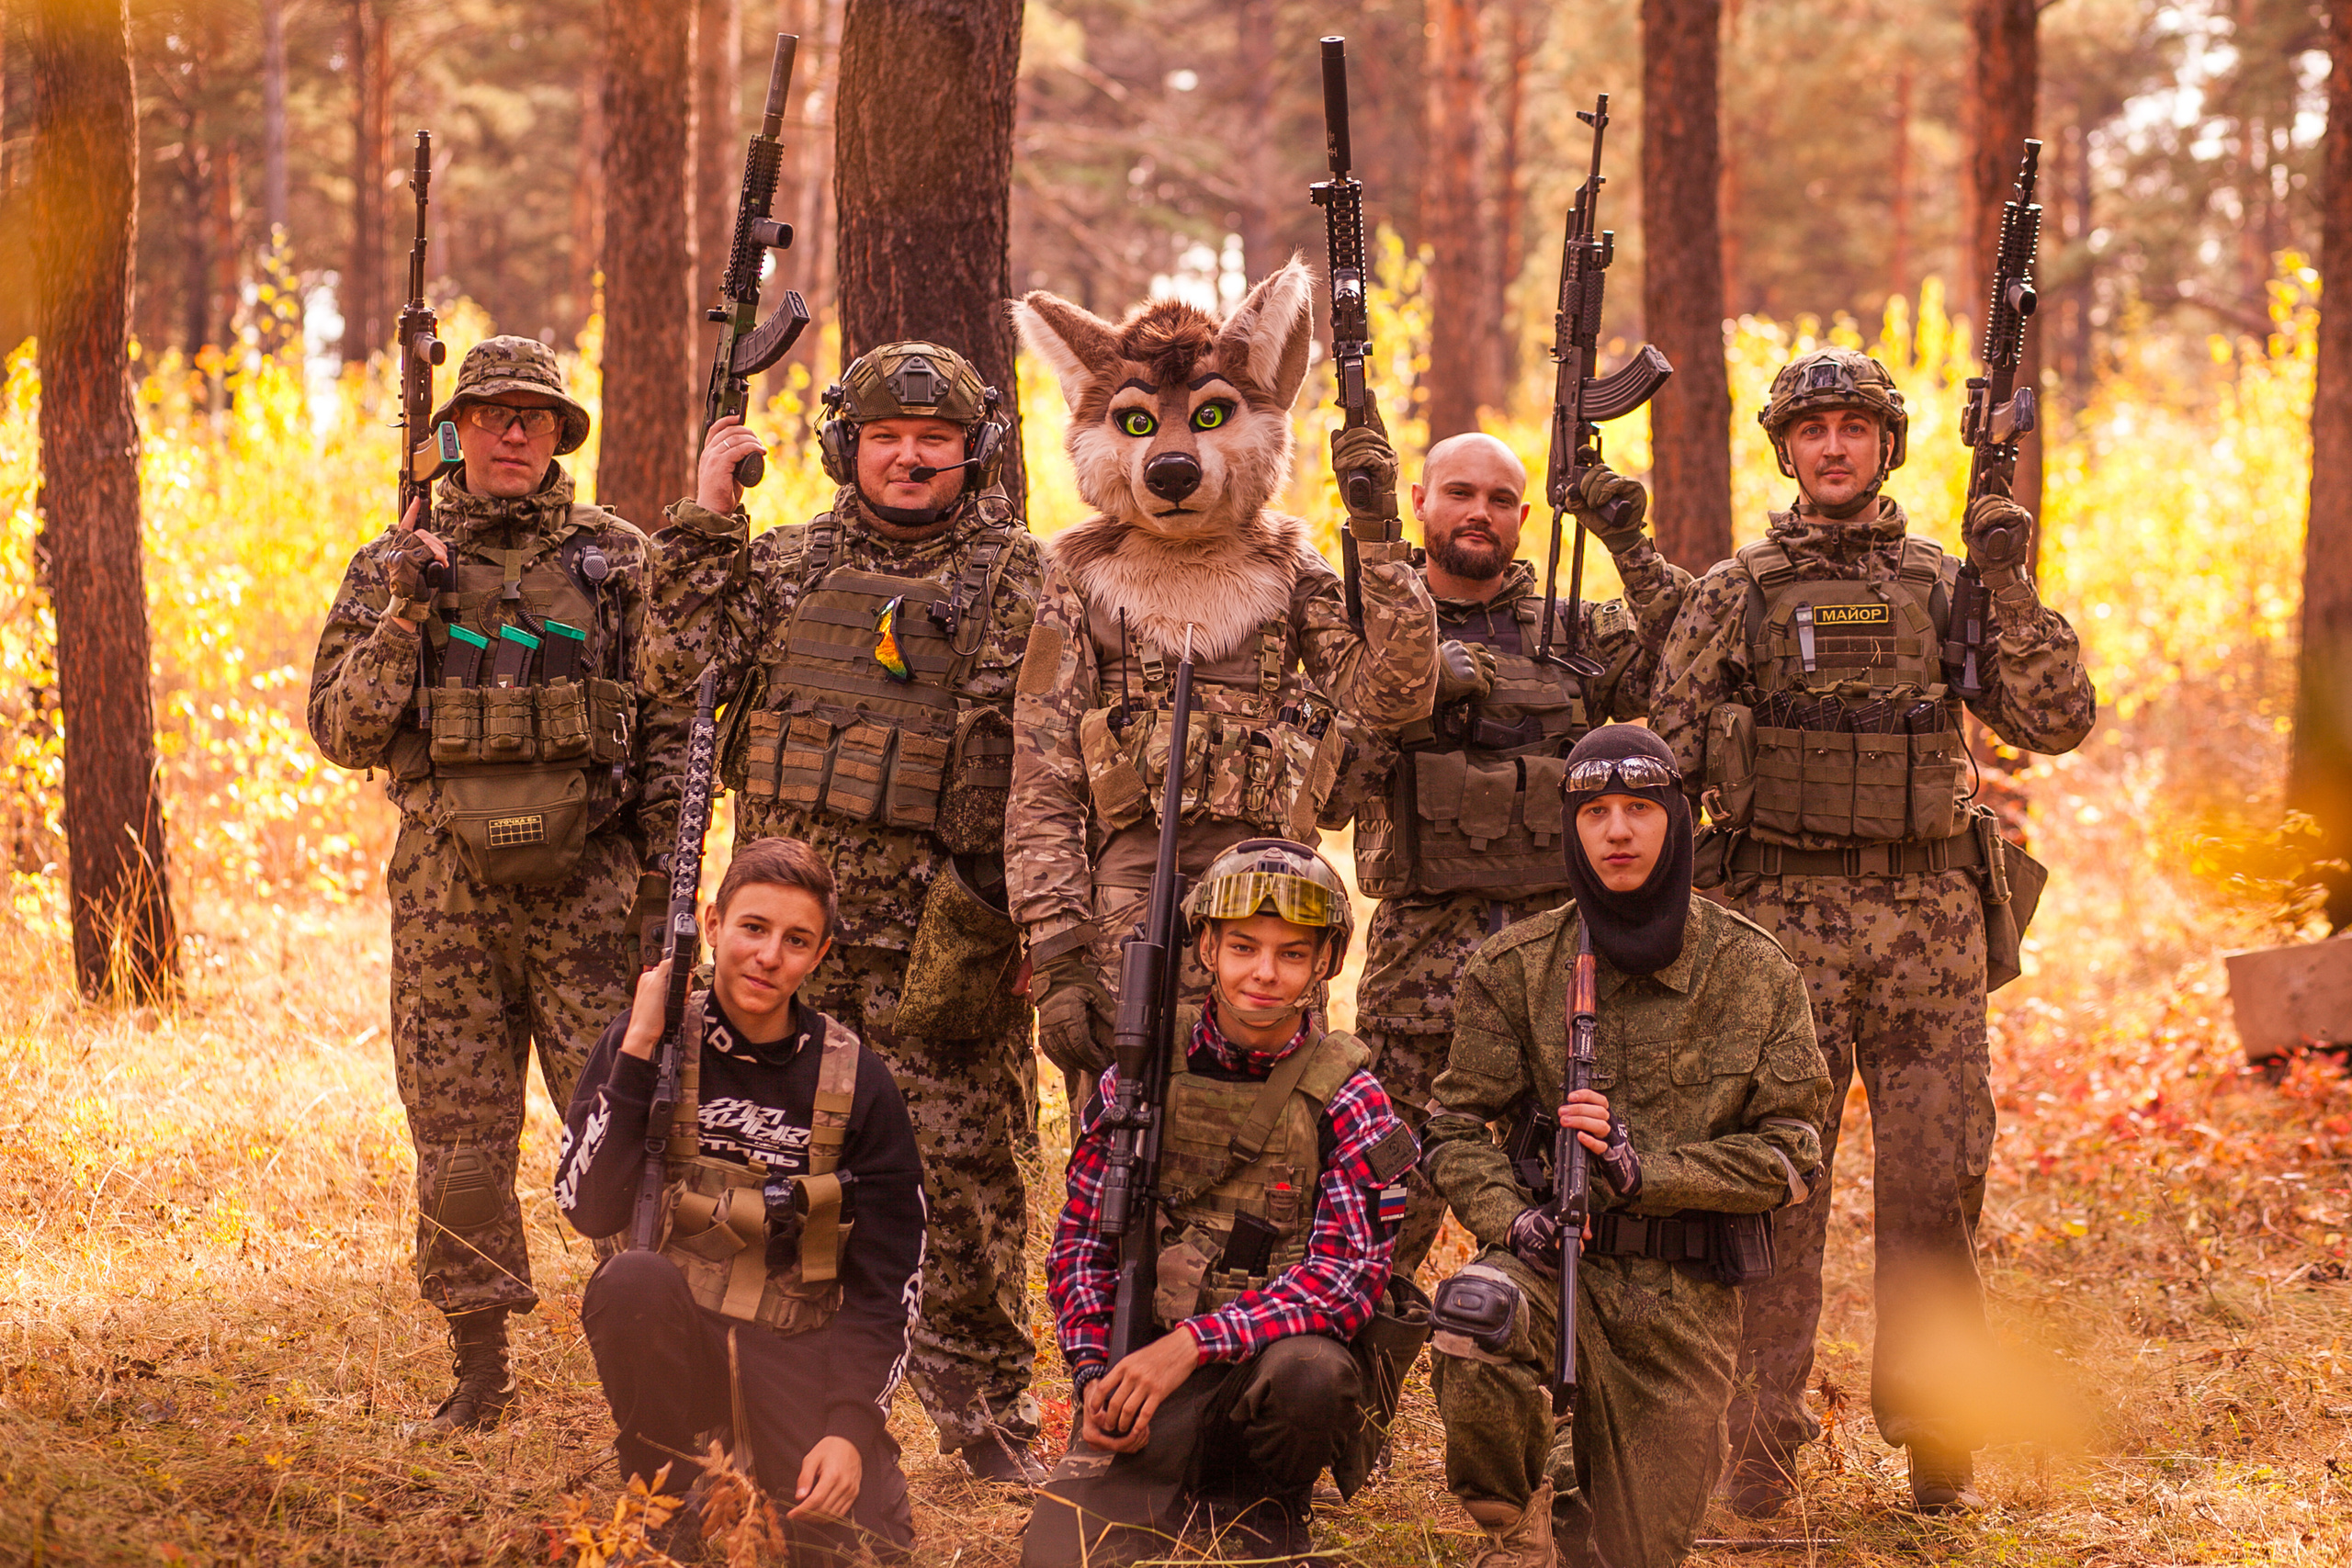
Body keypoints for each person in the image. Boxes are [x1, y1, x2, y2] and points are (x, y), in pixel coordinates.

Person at [1648, 346, 2097, 1514]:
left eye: (1854, 427)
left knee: (1937, 1187)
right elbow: (1664, 770)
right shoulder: (1734, 592)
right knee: (1772, 1189)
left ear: (1886, 446)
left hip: (1928, 932)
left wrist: (2007, 581)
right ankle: (1757, 1443)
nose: (1834, 446)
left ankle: (1938, 1430)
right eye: (1812, 430)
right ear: (1786, 451)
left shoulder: (1948, 584)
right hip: (1778, 931)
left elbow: (2057, 720)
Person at [640, 341, 1048, 1481]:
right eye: (885, 438)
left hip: (943, 942)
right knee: (759, 1165)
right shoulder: (780, 565)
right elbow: (678, 670)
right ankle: (759, 1393)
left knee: (959, 1177)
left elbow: (1054, 757)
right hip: (789, 950)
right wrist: (708, 519)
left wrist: (1035, 918)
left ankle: (986, 1418)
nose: (909, 458)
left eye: (934, 440)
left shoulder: (1025, 578)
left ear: (976, 451)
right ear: (844, 448)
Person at [308, 334, 662, 1434]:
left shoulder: (618, 559)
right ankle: (480, 1371)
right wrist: (407, 609)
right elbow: (342, 731)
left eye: (534, 417)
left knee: (623, 1127)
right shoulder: (393, 561)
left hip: (591, 895)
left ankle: (651, 1361)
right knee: (457, 1135)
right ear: (454, 431)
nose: (513, 434)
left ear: (558, 434)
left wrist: (662, 891)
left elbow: (666, 730)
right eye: (491, 415)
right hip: (447, 895)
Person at [1005, 260, 1438, 1086]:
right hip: (1127, 902)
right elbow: (1042, 773)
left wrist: (1379, 536)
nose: (1173, 454)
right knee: (1126, 1118)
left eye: (1211, 416)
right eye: (1136, 424)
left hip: (1270, 905)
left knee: (1270, 1117)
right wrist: (1058, 947)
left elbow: (1392, 692)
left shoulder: (1289, 568)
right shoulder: (1082, 581)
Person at [1422, 725, 1830, 1568]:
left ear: (1676, 819)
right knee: (1475, 1310)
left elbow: (1795, 1152)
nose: (1617, 831)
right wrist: (1512, 1221)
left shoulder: (1753, 970)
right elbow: (1454, 1124)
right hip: (1551, 1264)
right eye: (1595, 812)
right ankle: (1515, 1533)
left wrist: (1653, 1171)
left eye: (1639, 809)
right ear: (1569, 827)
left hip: (1681, 1297)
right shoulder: (1517, 967)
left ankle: (1573, 1479)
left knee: (1635, 1552)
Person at [1341, 434, 1691, 1280]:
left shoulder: (1575, 628)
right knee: (1382, 1210)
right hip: (1420, 963)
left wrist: (1628, 542)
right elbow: (1327, 789)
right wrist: (1412, 682)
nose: (1480, 513)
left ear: (1524, 517)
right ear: (1419, 502)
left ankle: (1540, 1349)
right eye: (1459, 493)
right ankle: (1361, 1359)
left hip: (1561, 963)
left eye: (1500, 500)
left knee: (1570, 1204)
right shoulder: (1370, 627)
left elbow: (1692, 650)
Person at [1024, 840, 1428, 1567]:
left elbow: (1344, 1282)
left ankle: (1265, 1505)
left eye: (1292, 953)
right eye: (1243, 947)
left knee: (1314, 1373)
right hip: (1150, 1375)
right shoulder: (1141, 1072)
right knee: (1056, 1553)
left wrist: (1191, 1344)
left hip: (1262, 1375)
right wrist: (1093, 1375)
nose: (1265, 973)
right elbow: (1082, 1243)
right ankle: (1170, 1491)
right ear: (1207, 947)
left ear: (1326, 962)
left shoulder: (1350, 1094)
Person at [554, 837, 922, 1565]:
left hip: (792, 1345)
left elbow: (891, 1281)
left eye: (796, 940)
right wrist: (640, 1043)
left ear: (818, 955)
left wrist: (849, 1428)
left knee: (865, 1551)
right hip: (677, 1334)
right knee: (631, 1280)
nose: (769, 956)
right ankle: (665, 1502)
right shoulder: (646, 1041)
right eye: (753, 928)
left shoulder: (858, 1080)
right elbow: (585, 1205)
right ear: (714, 924)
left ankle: (774, 1477)